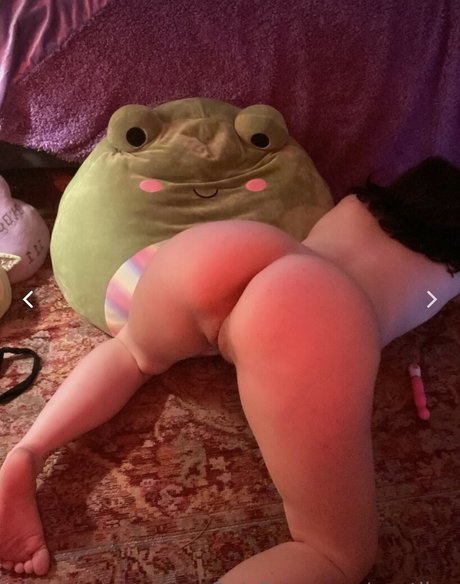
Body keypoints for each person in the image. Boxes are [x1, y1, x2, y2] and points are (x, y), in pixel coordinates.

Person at [1, 157, 459, 583]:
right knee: (338, 554)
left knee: (133, 353)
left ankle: (26, 453)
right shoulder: (448, 269)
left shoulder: (356, 204)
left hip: (235, 247)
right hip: (312, 308)